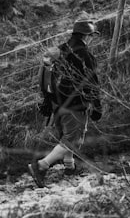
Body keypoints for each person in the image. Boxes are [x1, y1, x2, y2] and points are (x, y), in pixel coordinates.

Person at [29, 19, 102, 187]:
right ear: (86, 35)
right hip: (75, 103)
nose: (92, 39)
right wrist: (97, 105)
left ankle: (70, 167)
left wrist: (47, 100)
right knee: (74, 138)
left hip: (56, 101)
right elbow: (92, 81)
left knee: (67, 134)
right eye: (91, 36)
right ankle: (41, 166)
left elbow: (46, 75)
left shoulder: (60, 50)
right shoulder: (84, 55)